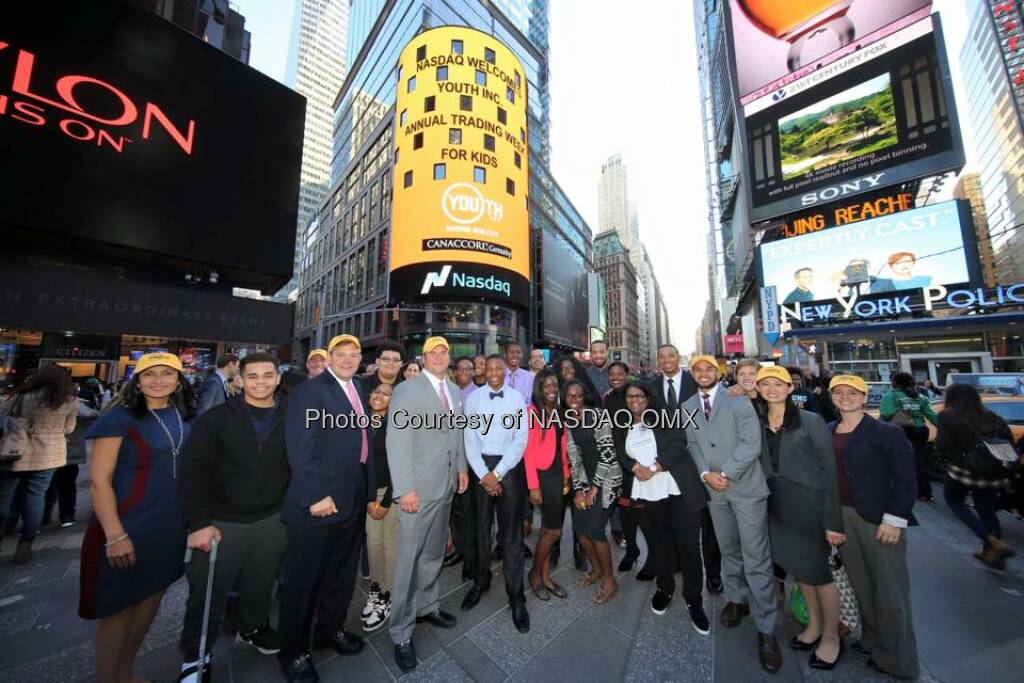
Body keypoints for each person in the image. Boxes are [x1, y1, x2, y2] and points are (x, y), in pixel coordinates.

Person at [78, 353, 197, 683]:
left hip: (170, 525)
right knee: (118, 609)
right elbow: (100, 480)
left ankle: (126, 673)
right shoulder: (120, 417)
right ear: (138, 380)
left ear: (178, 379)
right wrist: (115, 534)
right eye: (150, 374)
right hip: (127, 523)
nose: (158, 380)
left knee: (150, 600)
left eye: (166, 374)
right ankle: (109, 678)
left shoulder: (186, 413)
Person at [176, 352, 289, 681]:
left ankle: (253, 628)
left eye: (268, 376)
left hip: (271, 519)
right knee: (208, 592)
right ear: (238, 379)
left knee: (261, 584)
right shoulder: (216, 419)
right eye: (252, 376)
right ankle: (196, 656)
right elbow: (191, 473)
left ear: (278, 379)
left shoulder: (291, 416)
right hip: (221, 522)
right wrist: (198, 522)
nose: (261, 382)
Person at [278, 334, 374, 683]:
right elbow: (300, 448)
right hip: (319, 502)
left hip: (353, 495)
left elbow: (364, 445)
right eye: (341, 354)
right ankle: (293, 652)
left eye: (354, 354)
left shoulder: (358, 388)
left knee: (341, 572)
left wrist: (371, 487)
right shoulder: (311, 390)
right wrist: (316, 495)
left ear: (361, 357)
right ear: (329, 357)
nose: (348, 360)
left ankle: (328, 632)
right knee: (303, 582)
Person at [683, 355, 780, 673]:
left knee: (757, 556)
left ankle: (766, 629)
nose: (704, 373)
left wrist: (725, 472)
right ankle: (737, 600)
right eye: (698, 369)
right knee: (728, 550)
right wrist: (705, 476)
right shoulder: (687, 407)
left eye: (709, 368)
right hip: (713, 490)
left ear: (718, 372)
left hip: (745, 488)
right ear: (692, 373)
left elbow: (752, 443)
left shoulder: (737, 400)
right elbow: (693, 446)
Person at [386, 336, 469, 673]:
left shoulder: (455, 390)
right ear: (423, 357)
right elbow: (398, 440)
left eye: (444, 352)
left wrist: (462, 467)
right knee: (408, 560)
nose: (439, 356)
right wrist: (405, 488)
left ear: (449, 357)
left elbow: (458, 434)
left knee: (434, 552)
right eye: (433, 352)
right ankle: (401, 632)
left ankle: (428, 605)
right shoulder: (408, 389)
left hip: (446, 485)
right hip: (417, 491)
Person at [754, 367, 845, 670]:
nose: (772, 389)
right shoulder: (759, 422)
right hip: (777, 507)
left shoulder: (811, 421)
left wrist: (833, 522)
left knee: (819, 573)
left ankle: (831, 636)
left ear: (790, 388)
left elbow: (829, 472)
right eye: (765, 384)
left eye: (778, 384)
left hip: (810, 507)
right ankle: (814, 625)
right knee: (799, 570)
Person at [828, 374, 919, 679]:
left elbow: (907, 479)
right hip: (843, 517)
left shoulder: (886, 433)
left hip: (879, 519)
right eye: (838, 392)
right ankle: (872, 641)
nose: (845, 397)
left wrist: (895, 519)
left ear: (864, 397)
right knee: (861, 585)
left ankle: (898, 660)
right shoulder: (828, 431)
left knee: (890, 592)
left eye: (852, 392)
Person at [623, 382, 710, 634]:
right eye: (630, 397)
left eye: (639, 395)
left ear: (648, 398)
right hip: (650, 495)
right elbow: (622, 451)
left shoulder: (666, 416)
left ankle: (694, 600)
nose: (635, 400)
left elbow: (679, 444)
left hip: (678, 489)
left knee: (689, 547)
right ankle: (665, 588)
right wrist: (634, 468)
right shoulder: (623, 422)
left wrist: (654, 468)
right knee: (661, 543)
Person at [461, 355, 530, 631]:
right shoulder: (475, 399)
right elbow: (469, 438)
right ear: (484, 371)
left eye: (497, 368)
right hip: (481, 468)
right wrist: (484, 474)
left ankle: (517, 597)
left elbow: (520, 438)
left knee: (511, 534)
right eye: (488, 368)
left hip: (508, 467)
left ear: (505, 372)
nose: (493, 372)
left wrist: (497, 474)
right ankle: (481, 580)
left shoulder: (516, 399)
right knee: (480, 529)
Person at [648, 344, 722, 596]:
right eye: (662, 356)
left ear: (678, 358)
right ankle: (678, 565)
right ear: (657, 360)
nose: (666, 359)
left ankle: (713, 574)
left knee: (707, 523)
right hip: (667, 462)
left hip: (698, 461)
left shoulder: (696, 380)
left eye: (671, 355)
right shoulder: (651, 385)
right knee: (675, 521)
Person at [0, 365, 78, 563]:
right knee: (36, 495)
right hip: (49, 454)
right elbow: (69, 429)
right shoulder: (68, 400)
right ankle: (26, 543)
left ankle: (5, 530)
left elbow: (3, 418)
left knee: (4, 495)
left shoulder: (22, 396)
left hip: (14, 452)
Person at [935, 383, 1017, 569]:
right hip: (994, 471)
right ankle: (992, 551)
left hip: (965, 471)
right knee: (986, 509)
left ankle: (991, 541)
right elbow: (1008, 441)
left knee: (956, 502)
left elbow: (943, 445)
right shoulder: (992, 417)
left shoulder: (948, 416)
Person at [564, 380, 622, 604]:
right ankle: (597, 569)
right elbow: (574, 458)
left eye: (578, 396)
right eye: (570, 396)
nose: (574, 401)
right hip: (585, 480)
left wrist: (595, 488)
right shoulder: (569, 420)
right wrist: (580, 489)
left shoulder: (598, 415)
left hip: (607, 479)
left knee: (596, 530)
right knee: (580, 530)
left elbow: (608, 454)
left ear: (584, 397)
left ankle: (609, 580)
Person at [605, 362, 655, 579]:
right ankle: (632, 549)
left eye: (620, 373)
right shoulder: (609, 398)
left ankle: (653, 557)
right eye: (612, 374)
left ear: (628, 375)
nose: (616, 377)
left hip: (645, 466)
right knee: (626, 508)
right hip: (622, 463)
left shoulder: (641, 396)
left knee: (644, 512)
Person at [524, 370, 570, 601]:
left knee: (546, 529)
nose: (552, 389)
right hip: (541, 476)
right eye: (547, 385)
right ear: (539, 389)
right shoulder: (532, 412)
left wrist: (566, 475)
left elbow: (562, 448)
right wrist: (533, 486)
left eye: (555, 384)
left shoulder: (559, 412)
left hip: (557, 475)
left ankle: (545, 577)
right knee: (555, 530)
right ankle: (534, 575)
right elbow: (528, 452)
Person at [363, 382, 398, 633]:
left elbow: (401, 463)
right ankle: (375, 590)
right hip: (368, 494)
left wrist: (386, 501)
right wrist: (368, 498)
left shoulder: (397, 426)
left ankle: (388, 594)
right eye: (376, 391)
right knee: (373, 544)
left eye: (385, 393)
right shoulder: (362, 424)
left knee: (390, 543)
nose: (379, 396)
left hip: (390, 493)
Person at [43, 385, 101, 528]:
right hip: (69, 453)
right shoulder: (75, 406)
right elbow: (93, 415)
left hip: (47, 453)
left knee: (46, 487)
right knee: (67, 486)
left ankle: (43, 517)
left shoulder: (42, 405)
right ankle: (67, 516)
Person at [880, 372, 939, 502]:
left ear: (896, 382)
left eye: (893, 380)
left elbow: (886, 413)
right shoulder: (921, 397)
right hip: (921, 431)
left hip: (902, 431)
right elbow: (932, 415)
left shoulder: (891, 395)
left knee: (901, 461)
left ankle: (904, 490)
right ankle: (925, 492)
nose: (891, 382)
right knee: (918, 461)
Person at [448, 355, 479, 577]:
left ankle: (471, 557)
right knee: (454, 511)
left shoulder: (479, 395)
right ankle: (459, 549)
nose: (465, 371)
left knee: (470, 512)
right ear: (455, 372)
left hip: (470, 460)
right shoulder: (448, 391)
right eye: (461, 368)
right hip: (448, 458)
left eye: (469, 368)